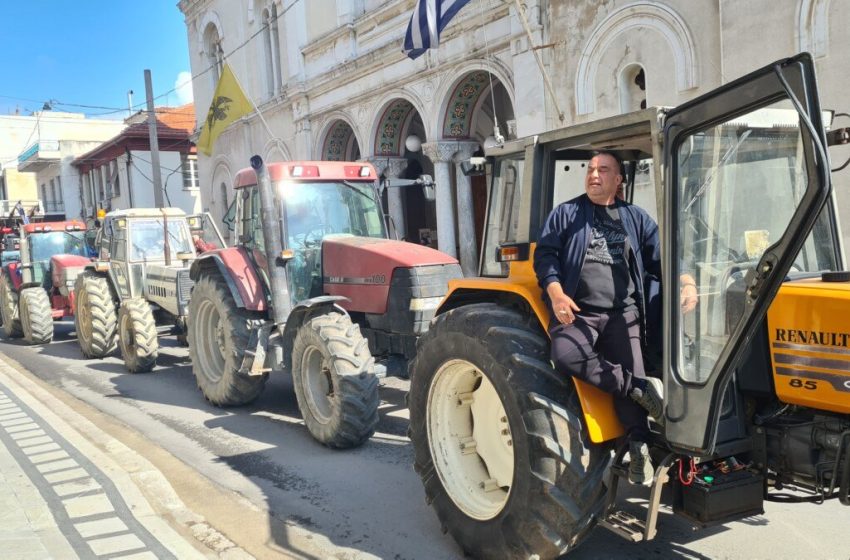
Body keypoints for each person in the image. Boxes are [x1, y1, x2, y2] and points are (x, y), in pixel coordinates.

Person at [533, 151, 698, 485]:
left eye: (603, 170)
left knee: (631, 369)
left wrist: (687, 281)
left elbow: (660, 258)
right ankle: (637, 386)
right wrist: (556, 292)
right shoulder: (567, 214)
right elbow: (546, 256)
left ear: (618, 179)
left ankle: (638, 446)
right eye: (590, 169)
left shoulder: (635, 218)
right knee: (565, 355)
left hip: (624, 314)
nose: (594, 174)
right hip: (578, 312)